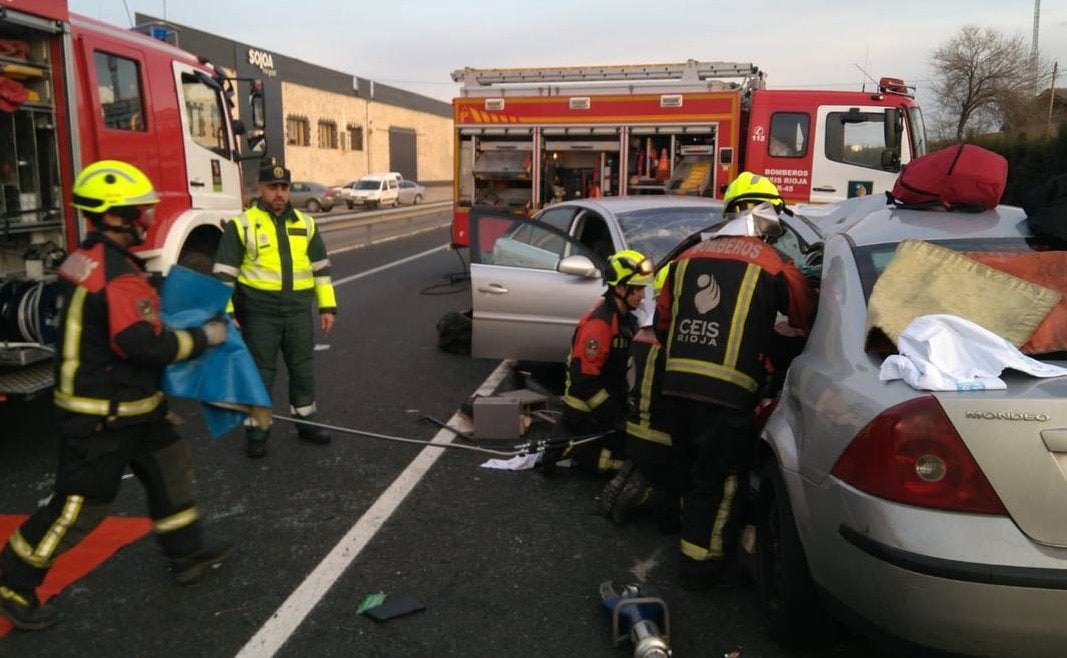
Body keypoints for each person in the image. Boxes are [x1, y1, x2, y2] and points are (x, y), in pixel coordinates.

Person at [0, 160, 231, 630]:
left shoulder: (87, 257)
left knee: (171, 470)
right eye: (137, 211)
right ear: (111, 216)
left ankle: (187, 555)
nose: (145, 219)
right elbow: (146, 345)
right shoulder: (117, 274)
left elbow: (115, 313)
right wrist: (208, 336)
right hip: (103, 415)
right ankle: (12, 581)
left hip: (132, 407)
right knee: (80, 507)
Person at [654, 171, 816, 590]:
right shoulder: (773, 262)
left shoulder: (688, 257)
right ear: (771, 216)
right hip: (727, 397)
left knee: (693, 472)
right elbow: (806, 316)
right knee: (723, 480)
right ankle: (702, 567)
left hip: (674, 387)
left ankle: (692, 542)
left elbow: (662, 323)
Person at [213, 162, 337, 458]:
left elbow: (321, 270)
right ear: (260, 188)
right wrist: (227, 313)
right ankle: (257, 433)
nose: (279, 194)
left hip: (297, 313)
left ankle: (306, 423)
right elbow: (223, 274)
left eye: (284, 187)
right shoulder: (242, 225)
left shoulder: (305, 224)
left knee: (303, 370)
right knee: (260, 376)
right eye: (273, 187)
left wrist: (327, 307)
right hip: (260, 315)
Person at [540, 250, 654, 476]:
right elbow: (584, 381)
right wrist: (615, 417)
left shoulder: (626, 320)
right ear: (620, 288)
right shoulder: (600, 325)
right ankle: (575, 454)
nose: (643, 295)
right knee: (625, 465)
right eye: (638, 288)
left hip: (610, 406)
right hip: (587, 414)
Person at [600, 267, 679, 530]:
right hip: (661, 436)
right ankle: (645, 498)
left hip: (634, 427)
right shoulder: (672, 340)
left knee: (639, 470)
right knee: (671, 488)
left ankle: (627, 489)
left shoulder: (640, 332)